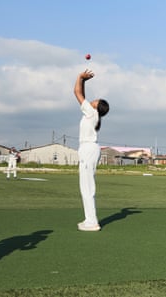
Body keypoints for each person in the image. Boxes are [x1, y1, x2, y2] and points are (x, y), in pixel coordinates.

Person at [73, 69, 110, 231]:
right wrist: (84, 81)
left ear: (97, 106)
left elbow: (76, 92)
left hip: (88, 150)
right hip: (89, 150)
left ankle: (92, 222)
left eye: (96, 100)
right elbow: (82, 94)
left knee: (87, 187)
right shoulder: (92, 113)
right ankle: (89, 219)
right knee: (86, 186)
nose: (93, 100)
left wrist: (80, 77)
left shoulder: (91, 113)